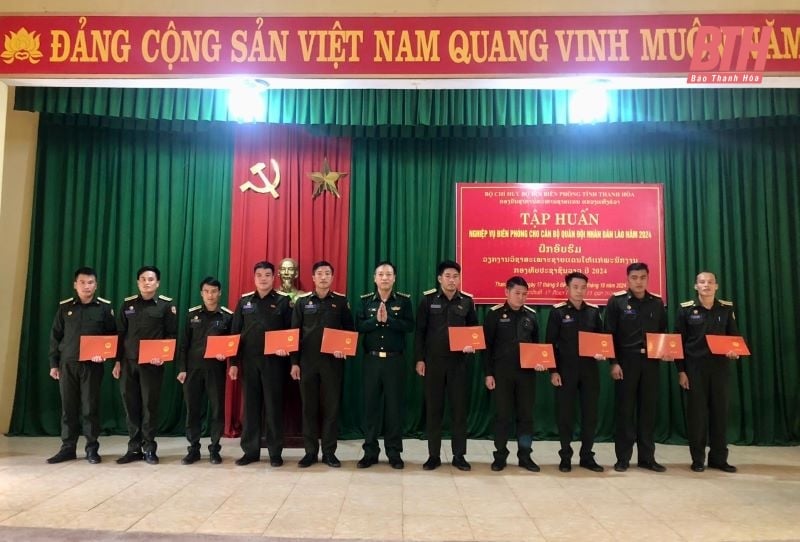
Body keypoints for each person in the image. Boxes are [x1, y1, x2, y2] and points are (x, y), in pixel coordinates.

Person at [46, 267, 116, 464]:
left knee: (90, 407)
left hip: (92, 366)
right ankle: (67, 448)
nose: (87, 286)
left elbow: (112, 336)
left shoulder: (104, 308)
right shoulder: (65, 308)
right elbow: (55, 337)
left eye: (91, 282)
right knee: (68, 408)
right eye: (83, 282)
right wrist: (54, 363)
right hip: (67, 364)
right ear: (75, 285)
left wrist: (104, 354)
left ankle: (92, 449)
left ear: (96, 285)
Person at [415, 259, 478, 471]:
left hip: (458, 364)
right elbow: (420, 333)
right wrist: (419, 359)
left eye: (456, 276)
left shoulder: (467, 302)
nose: (452, 280)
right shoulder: (428, 300)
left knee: (459, 412)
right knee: (434, 410)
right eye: (448, 276)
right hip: (433, 364)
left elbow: (474, 332)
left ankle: (459, 455)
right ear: (440, 278)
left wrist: (472, 345)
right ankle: (433, 456)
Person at [290, 260, 355, 468]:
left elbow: (349, 331)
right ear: (313, 277)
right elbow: (294, 334)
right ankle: (310, 452)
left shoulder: (341, 302)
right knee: (308, 408)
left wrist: (343, 349)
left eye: (327, 273)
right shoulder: (302, 303)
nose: (324, 277)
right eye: (320, 273)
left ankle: (329, 452)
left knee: (331, 409)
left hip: (332, 363)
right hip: (307, 363)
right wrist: (294, 363)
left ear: (332, 277)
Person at [605, 262, 668, 472]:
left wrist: (665, 352)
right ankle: (623, 458)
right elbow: (608, 334)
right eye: (634, 277)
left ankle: (647, 458)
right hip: (625, 363)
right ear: (627, 279)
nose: (638, 281)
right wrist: (613, 363)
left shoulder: (657, 303)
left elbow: (662, 333)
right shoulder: (617, 302)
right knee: (625, 412)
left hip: (650, 363)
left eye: (642, 277)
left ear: (648, 278)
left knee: (648, 412)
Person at [676, 271, 740, 473]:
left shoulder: (726, 309)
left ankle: (719, 459)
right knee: (697, 416)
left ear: (716, 286)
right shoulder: (686, 309)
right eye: (702, 282)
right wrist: (681, 371)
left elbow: (734, 338)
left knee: (720, 414)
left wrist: (734, 351)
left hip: (720, 368)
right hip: (695, 369)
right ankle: (697, 459)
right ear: (696, 286)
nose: (706, 285)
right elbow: (678, 342)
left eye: (710, 282)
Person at [229, 261, 293, 467]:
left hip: (274, 362)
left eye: (267, 275)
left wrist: (288, 351)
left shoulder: (283, 302)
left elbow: (290, 333)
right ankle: (250, 451)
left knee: (274, 407)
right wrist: (234, 363)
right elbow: (235, 333)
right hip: (248, 362)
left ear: (274, 278)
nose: (263, 278)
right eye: (259, 275)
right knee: (250, 407)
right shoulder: (244, 301)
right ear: (254, 277)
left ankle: (275, 452)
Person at [113, 265, 177, 465]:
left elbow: (171, 335)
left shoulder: (166, 306)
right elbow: (120, 335)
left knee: (149, 406)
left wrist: (163, 357)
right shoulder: (128, 305)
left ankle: (149, 448)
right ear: (138, 282)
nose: (147, 282)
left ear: (157, 283)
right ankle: (133, 449)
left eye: (151, 279)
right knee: (130, 406)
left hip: (152, 364)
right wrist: (117, 361)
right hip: (128, 363)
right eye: (143, 279)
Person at [355, 261, 414, 469]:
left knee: (394, 408)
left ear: (395, 278)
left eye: (389, 274)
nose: (385, 278)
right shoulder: (365, 301)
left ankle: (394, 452)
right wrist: (376, 322)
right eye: (380, 274)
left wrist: (388, 320)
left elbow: (409, 325)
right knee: (370, 407)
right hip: (371, 361)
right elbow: (359, 326)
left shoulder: (404, 301)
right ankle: (370, 452)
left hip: (395, 361)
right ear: (374, 278)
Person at [483, 276, 545, 472]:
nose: (521, 297)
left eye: (524, 294)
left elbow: (536, 345)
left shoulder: (532, 316)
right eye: (517, 293)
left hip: (526, 375)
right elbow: (487, 347)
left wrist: (539, 362)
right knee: (502, 416)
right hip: (502, 373)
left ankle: (525, 456)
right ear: (506, 292)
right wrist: (488, 374)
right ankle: (500, 455)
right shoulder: (494, 315)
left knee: (526, 416)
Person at [547, 271, 605, 473]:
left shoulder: (594, 312)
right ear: (567, 289)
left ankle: (587, 456)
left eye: (583, 287)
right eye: (575, 287)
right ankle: (565, 456)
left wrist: (602, 352)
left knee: (590, 415)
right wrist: (553, 371)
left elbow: (602, 339)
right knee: (565, 415)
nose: (580, 291)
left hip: (590, 370)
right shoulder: (558, 312)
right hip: (565, 371)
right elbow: (549, 344)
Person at [176, 277, 233, 465]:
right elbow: (183, 344)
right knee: (193, 410)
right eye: (207, 291)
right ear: (201, 293)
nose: (210, 295)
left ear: (220, 293)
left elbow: (232, 344)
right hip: (192, 370)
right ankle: (193, 448)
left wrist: (227, 357)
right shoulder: (192, 315)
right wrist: (182, 368)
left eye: (214, 291)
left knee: (217, 410)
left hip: (215, 370)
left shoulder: (227, 316)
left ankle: (215, 449)